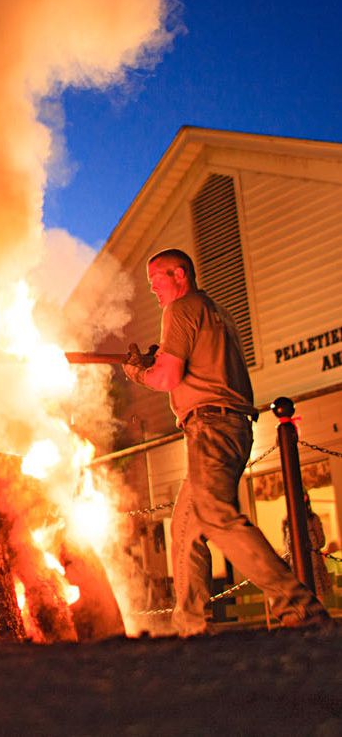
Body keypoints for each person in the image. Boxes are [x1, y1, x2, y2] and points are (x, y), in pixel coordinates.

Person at [122, 248, 331, 635]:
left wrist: (137, 373)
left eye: (157, 281)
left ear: (179, 274)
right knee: (185, 528)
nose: (153, 290)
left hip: (210, 428)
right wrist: (159, 359)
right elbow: (185, 364)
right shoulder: (214, 311)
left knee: (217, 516)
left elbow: (167, 379)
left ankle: (298, 606)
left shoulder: (180, 309)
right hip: (231, 427)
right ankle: (190, 627)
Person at [283, 493, 333, 603]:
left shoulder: (310, 518)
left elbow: (320, 541)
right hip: (298, 563)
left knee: (315, 592)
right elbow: (287, 545)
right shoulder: (289, 521)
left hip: (310, 561)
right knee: (308, 594)